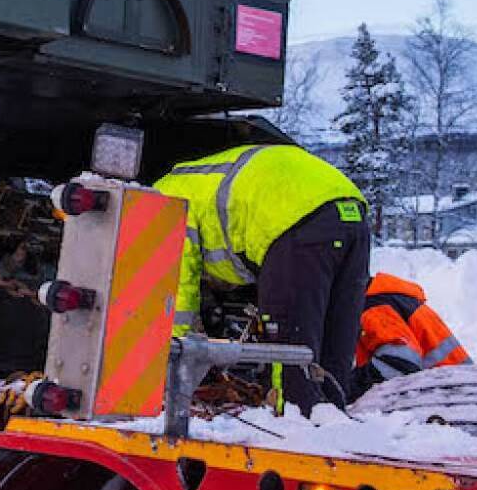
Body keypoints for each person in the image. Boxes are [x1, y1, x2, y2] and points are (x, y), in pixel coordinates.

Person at [153, 142, 369, 412]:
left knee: (288, 346)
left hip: (295, 218)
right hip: (351, 211)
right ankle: (331, 414)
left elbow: (177, 292)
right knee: (335, 333)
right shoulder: (196, 181)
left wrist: (173, 357)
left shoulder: (162, 200)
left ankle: (293, 421)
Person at [352, 273, 471, 396]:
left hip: (453, 398)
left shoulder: (374, 308)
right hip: (463, 392)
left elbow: (400, 363)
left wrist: (348, 386)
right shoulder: (387, 300)